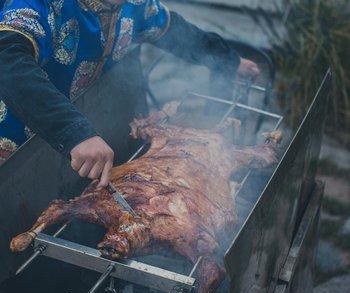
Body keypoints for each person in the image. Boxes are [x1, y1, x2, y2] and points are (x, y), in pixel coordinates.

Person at [0, 0, 259, 187]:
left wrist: (229, 61)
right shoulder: (39, 4)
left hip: (73, 145)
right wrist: (74, 133)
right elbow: (7, 61)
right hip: (16, 141)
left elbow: (175, 30)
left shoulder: (134, 5)